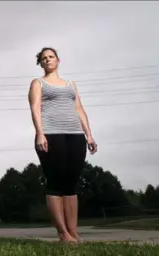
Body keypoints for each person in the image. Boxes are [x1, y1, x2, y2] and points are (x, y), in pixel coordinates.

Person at [28, 47, 98, 243]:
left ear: (58, 60)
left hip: (75, 135)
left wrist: (89, 135)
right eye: (44, 58)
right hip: (50, 135)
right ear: (40, 63)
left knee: (71, 185)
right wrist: (40, 134)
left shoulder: (70, 84)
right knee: (56, 183)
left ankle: (73, 232)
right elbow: (35, 108)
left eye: (51, 57)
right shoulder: (38, 83)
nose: (48, 60)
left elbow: (79, 109)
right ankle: (62, 233)